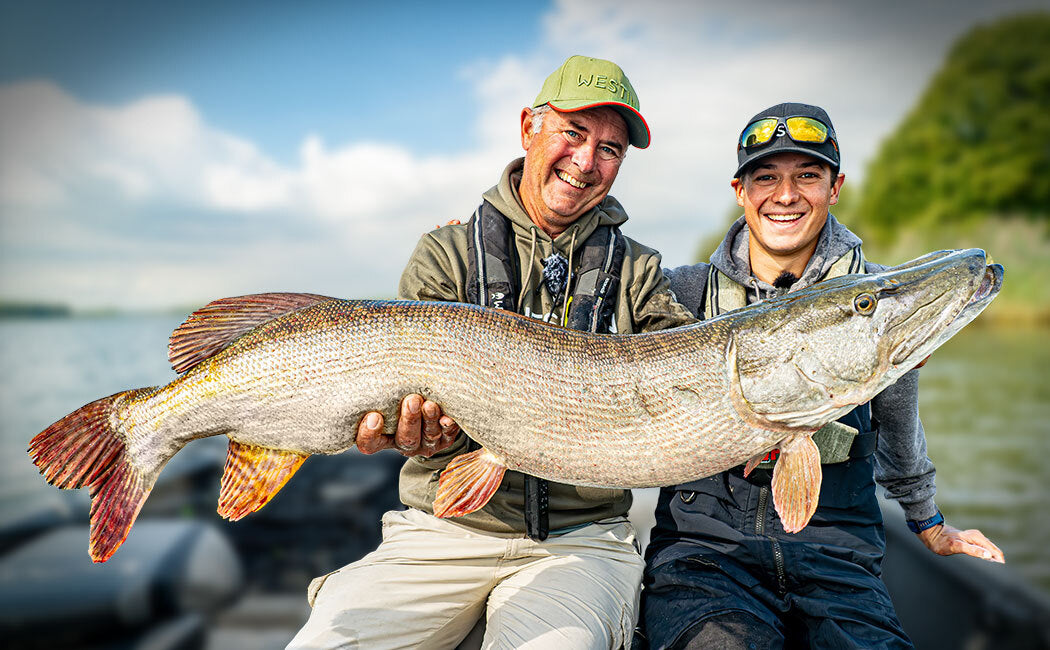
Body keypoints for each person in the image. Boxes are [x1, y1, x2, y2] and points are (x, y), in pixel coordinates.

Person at [288, 55, 696, 650]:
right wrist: (418, 433)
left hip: (581, 541)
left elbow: (686, 384)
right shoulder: (446, 253)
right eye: (573, 133)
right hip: (441, 528)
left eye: (609, 149)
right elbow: (410, 416)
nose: (586, 161)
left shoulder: (640, 271)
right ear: (529, 127)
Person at [637, 102, 1005, 649]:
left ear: (835, 188)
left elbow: (898, 422)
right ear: (741, 191)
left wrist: (928, 522)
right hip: (707, 550)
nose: (785, 195)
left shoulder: (876, 293)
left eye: (807, 175)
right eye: (766, 177)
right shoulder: (681, 291)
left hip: (838, 549)